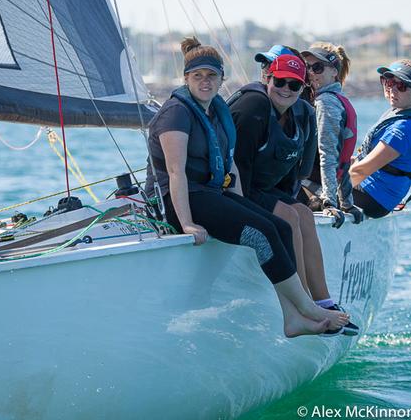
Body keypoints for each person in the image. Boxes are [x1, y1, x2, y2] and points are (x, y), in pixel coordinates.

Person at [144, 37, 349, 337]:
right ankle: (306, 307)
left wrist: (244, 207)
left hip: (208, 194)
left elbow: (230, 166)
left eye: (211, 76)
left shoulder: (215, 110)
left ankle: (292, 317)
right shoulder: (177, 112)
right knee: (262, 233)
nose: (205, 82)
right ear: (185, 78)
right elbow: (175, 172)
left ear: (221, 79)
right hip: (178, 200)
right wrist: (186, 224)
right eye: (197, 76)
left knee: (277, 226)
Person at [229, 48, 358, 336]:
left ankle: (323, 301)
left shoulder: (303, 113)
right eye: (280, 82)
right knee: (288, 214)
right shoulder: (252, 109)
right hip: (239, 188)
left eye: (295, 84)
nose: (286, 90)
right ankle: (303, 308)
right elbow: (238, 172)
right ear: (268, 79)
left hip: (263, 188)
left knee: (303, 213)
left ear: (304, 87)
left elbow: (294, 176)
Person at [349, 59, 411, 217]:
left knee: (304, 188)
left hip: (374, 199)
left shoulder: (403, 128)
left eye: (401, 86)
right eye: (389, 82)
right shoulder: (401, 113)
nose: (392, 89)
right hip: (373, 192)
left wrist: (328, 195)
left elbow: (361, 170)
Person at [300, 43, 364, 227]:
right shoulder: (340, 99)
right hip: (332, 188)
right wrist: (347, 204)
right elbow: (341, 161)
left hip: (318, 189)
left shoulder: (325, 103)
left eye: (317, 68)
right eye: (308, 68)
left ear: (334, 72)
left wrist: (330, 203)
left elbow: (328, 156)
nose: (311, 73)